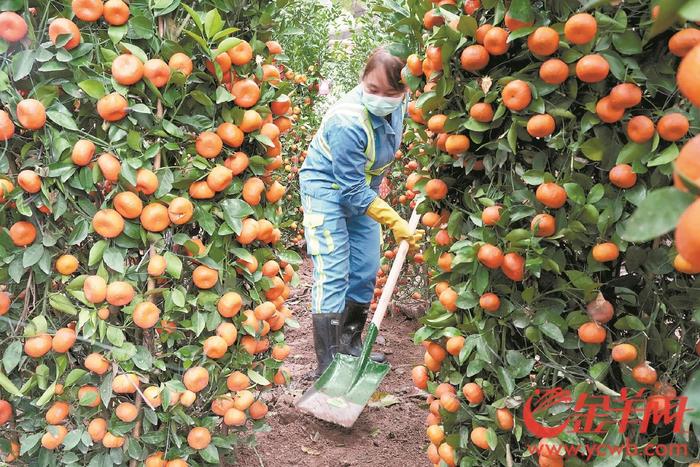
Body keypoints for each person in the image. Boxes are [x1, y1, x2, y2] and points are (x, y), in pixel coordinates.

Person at [299, 47, 423, 377]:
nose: (381, 98)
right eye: (373, 89)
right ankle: (328, 364)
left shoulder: (401, 106)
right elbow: (351, 190)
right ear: (362, 80)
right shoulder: (347, 121)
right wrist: (394, 219)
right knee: (333, 270)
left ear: (404, 91)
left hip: (362, 192)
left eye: (391, 92)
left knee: (366, 268)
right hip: (326, 191)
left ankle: (350, 348)